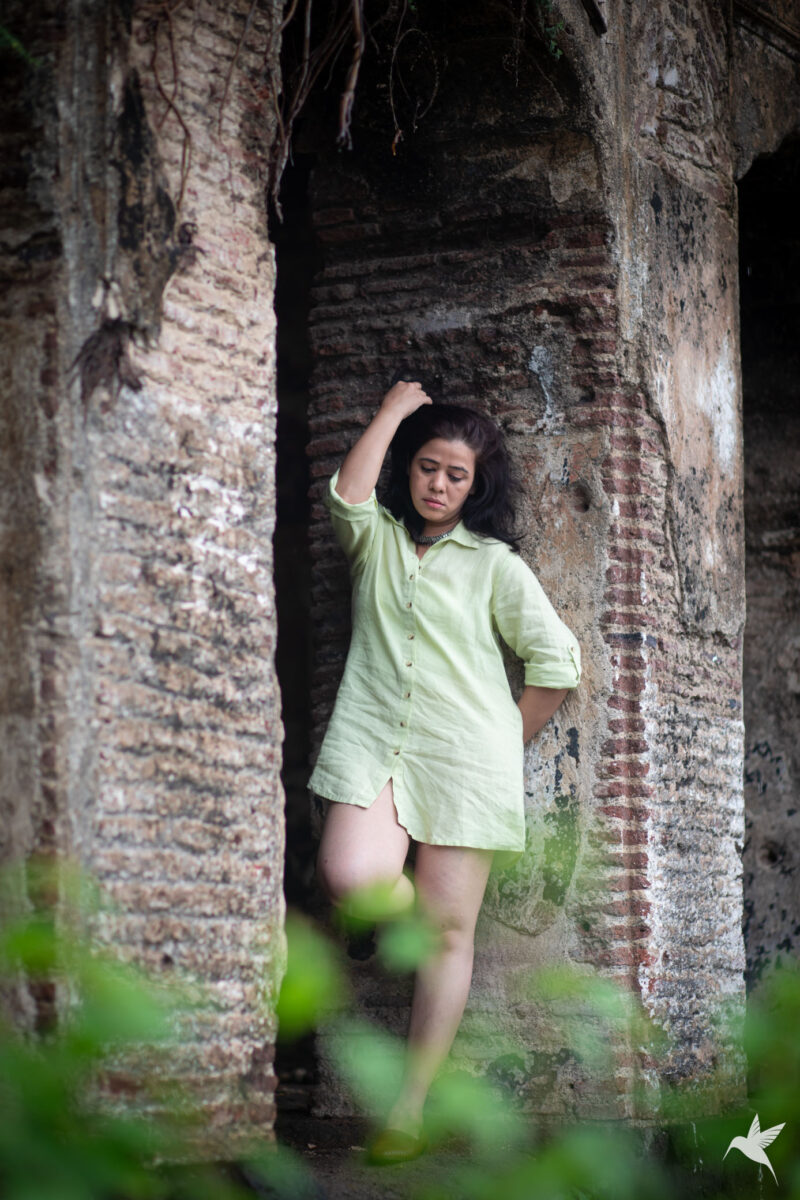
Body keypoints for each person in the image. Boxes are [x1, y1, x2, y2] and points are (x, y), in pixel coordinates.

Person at [310, 378, 581, 1165]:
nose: (438, 484)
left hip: (467, 762)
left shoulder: (495, 566)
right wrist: (394, 412)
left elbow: (557, 663)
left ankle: (408, 1110)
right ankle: (379, 911)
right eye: (428, 467)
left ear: (475, 485)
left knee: (449, 935)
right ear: (410, 468)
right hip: (375, 746)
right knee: (349, 876)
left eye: (455, 475)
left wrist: (504, 741)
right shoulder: (378, 541)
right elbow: (346, 497)